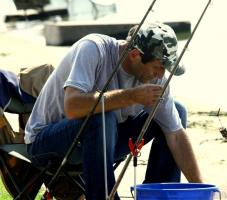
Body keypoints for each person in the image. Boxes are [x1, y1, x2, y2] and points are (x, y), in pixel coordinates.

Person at [25, 22, 203, 200]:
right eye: (158, 67)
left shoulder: (157, 78)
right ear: (134, 55)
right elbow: (72, 107)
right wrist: (131, 96)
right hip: (46, 142)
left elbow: (176, 136)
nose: (160, 75)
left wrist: (202, 189)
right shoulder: (93, 49)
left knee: (177, 111)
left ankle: (159, 197)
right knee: (101, 117)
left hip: (104, 141)